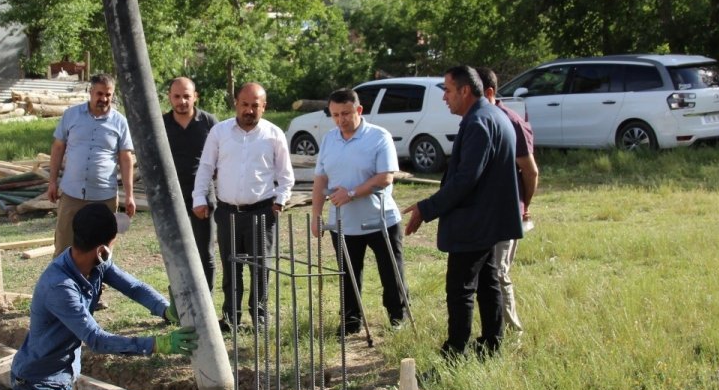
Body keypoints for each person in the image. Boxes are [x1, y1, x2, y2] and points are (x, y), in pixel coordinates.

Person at [10, 203, 197, 390]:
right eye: (113, 241)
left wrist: (165, 310)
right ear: (101, 249)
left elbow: (133, 287)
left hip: (61, 375)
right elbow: (96, 339)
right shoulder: (59, 287)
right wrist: (157, 344)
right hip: (39, 382)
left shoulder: (96, 264)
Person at [403, 66, 521, 358]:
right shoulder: (493, 115)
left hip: (474, 222)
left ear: (465, 90)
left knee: (460, 288)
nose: (444, 97)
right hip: (487, 220)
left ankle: (455, 352)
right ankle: (492, 343)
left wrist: (426, 208)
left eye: (448, 90)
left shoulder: (480, 122)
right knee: (488, 282)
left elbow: (466, 179)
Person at [193, 83, 295, 331]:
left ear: (264, 107)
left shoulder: (274, 134)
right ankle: (231, 317)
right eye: (245, 104)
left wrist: (280, 200)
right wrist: (199, 198)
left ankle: (259, 317)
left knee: (261, 267)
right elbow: (206, 167)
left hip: (262, 212)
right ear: (236, 103)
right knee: (231, 267)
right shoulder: (219, 132)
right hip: (228, 212)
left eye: (255, 106)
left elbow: (286, 175)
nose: (249, 110)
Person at [310, 87, 407, 333]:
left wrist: (351, 193)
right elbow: (321, 178)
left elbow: (385, 177)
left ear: (359, 110)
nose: (340, 120)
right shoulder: (329, 139)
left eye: (345, 113)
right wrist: (316, 214)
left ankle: (398, 318)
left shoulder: (378, 136)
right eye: (335, 115)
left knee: (391, 272)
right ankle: (351, 321)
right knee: (348, 273)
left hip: (380, 220)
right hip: (343, 223)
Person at [478, 67, 540, 336]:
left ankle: (514, 333)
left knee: (498, 272)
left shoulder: (510, 121)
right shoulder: (478, 119)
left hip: (506, 212)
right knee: (485, 273)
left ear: (489, 92)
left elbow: (530, 171)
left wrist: (523, 207)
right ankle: (493, 330)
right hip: (483, 213)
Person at [47, 73, 136, 256]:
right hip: (72, 193)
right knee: (64, 245)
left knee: (102, 250)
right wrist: (52, 182)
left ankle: (97, 276)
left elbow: (126, 158)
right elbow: (58, 148)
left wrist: (129, 195)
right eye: (99, 93)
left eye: (108, 94)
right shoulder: (71, 115)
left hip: (104, 195)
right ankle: (64, 276)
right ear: (91, 92)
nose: (104, 99)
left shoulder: (120, 122)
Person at [162, 77, 220, 292]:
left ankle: (207, 302)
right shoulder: (161, 124)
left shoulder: (209, 122)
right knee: (175, 253)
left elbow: (222, 156)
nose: (182, 101)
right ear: (169, 97)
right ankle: (181, 301)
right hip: (171, 197)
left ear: (195, 96)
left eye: (186, 96)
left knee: (205, 253)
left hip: (203, 196)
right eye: (177, 96)